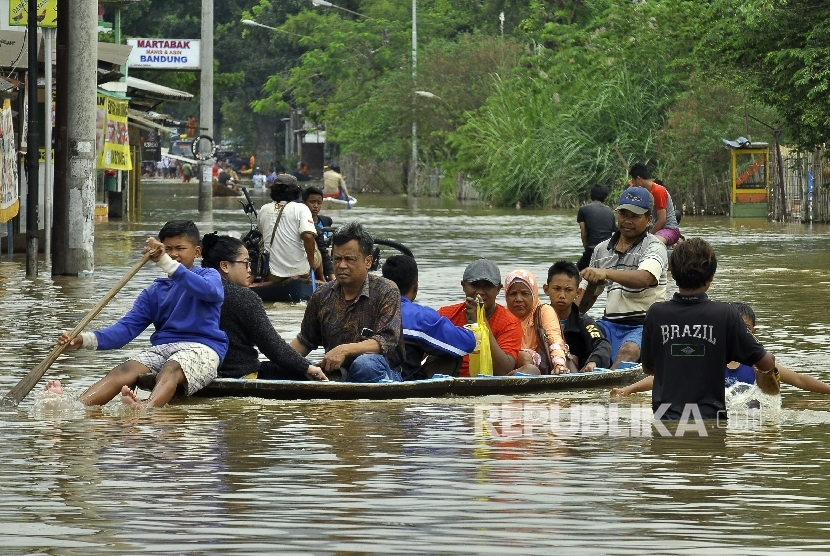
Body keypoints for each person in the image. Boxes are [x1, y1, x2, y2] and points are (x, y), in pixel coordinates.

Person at [44, 220, 228, 408]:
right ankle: (75, 406)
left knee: (171, 367)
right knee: (124, 369)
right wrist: (83, 340)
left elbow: (210, 292)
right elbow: (125, 330)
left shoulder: (209, 275)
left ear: (197, 252)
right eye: (168, 249)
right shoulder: (153, 292)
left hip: (202, 349)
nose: (174, 254)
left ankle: (146, 408)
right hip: (164, 348)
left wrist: (165, 261)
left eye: (180, 248)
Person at [640, 238, 780, 420]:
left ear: (672, 274)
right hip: (710, 422)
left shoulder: (655, 313)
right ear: (712, 276)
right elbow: (766, 363)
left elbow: (649, 368)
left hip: (665, 422)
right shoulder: (725, 314)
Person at [612, 301, 830, 396]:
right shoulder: (706, 359)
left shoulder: (759, 366)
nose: (741, 336)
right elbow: (665, 377)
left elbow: (800, 380)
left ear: (753, 334)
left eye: (746, 331)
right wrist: (628, 390)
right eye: (736, 330)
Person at [200, 233, 326, 381]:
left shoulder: (189, 291)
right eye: (246, 263)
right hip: (239, 373)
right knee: (307, 369)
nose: (249, 269)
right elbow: (272, 346)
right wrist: (306, 367)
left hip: (203, 371)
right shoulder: (244, 297)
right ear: (225, 266)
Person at [289, 222, 405, 383]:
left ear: (368, 261)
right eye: (337, 259)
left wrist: (345, 350)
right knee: (296, 367)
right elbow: (305, 341)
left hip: (380, 371)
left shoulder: (387, 290)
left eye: (349, 259)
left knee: (364, 365)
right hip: (337, 373)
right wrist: (279, 361)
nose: (342, 265)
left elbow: (386, 341)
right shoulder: (321, 295)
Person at [579, 186, 668, 368]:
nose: (627, 221)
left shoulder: (654, 246)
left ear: (649, 219)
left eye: (634, 216)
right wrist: (590, 286)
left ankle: (609, 391)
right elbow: (584, 304)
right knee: (579, 343)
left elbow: (645, 278)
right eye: (623, 214)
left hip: (644, 325)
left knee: (628, 350)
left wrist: (606, 273)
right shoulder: (601, 249)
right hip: (609, 323)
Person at [382, 255, 476, 380]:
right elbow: (468, 343)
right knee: (452, 352)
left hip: (370, 372)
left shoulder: (366, 309)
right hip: (404, 382)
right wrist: (473, 325)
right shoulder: (421, 316)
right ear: (416, 286)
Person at [437, 259, 523, 377]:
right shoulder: (445, 315)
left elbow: (503, 371)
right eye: (474, 285)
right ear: (463, 286)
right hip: (448, 379)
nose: (480, 293)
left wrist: (481, 322)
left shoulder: (510, 323)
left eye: (488, 286)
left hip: (486, 383)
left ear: (498, 289)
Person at [544, 261, 611, 371]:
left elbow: (602, 344)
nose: (562, 295)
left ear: (578, 293)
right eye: (557, 289)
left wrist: (593, 361)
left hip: (575, 371)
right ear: (546, 289)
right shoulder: (536, 318)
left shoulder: (584, 322)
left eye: (568, 290)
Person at [504, 269, 569, 374]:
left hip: (539, 365)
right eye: (513, 294)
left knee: (524, 357)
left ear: (534, 295)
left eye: (525, 293)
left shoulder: (544, 311)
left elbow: (554, 338)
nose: (518, 299)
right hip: (506, 363)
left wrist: (559, 364)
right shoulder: (503, 315)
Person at [257, 174, 317, 283]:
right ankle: (321, 279)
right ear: (296, 191)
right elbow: (308, 237)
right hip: (300, 271)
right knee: (315, 243)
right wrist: (312, 263)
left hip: (272, 274)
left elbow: (262, 233)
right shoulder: (302, 208)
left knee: (263, 242)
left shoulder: (263, 209)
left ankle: (265, 279)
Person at [628, 163, 682, 246]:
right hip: (654, 230)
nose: (633, 184)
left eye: (633, 180)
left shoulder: (658, 190)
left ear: (638, 179)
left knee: (650, 243)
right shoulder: (645, 192)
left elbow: (662, 220)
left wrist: (648, 236)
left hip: (669, 229)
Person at [576, 184, 617, 271]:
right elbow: (614, 231)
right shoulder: (610, 211)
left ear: (590, 196)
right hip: (608, 251)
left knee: (576, 273)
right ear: (606, 198)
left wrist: (587, 250)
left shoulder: (583, 210)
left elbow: (584, 233)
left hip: (592, 248)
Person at [302, 186, 334, 281]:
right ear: (303, 203)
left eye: (319, 203)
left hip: (326, 257)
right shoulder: (301, 222)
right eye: (312, 202)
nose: (316, 206)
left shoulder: (326, 221)